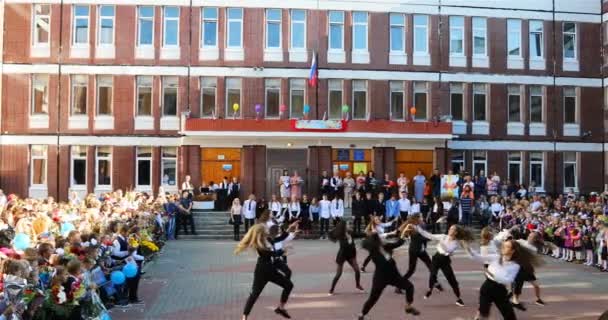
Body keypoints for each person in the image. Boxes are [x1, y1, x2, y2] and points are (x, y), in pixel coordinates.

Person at [465, 238, 542, 320]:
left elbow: (508, 280)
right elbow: (478, 257)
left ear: (513, 251)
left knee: (510, 317)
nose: (503, 248)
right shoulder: (496, 257)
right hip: (487, 287)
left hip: (500, 291)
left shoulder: (515, 265)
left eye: (507, 246)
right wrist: (468, 248)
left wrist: (492, 274)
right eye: (503, 246)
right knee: (483, 313)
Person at [235, 223, 296, 320]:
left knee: (289, 285)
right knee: (254, 294)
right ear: (261, 233)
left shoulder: (268, 239)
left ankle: (280, 308)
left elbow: (280, 238)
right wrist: (283, 251)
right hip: (261, 272)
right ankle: (244, 317)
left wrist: (290, 229)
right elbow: (269, 254)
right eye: (265, 229)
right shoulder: (259, 244)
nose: (267, 230)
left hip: (271, 270)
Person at [357, 232, 420, 320]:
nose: (382, 240)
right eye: (380, 239)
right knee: (373, 298)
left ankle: (408, 307)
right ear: (377, 241)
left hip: (393, 275)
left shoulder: (385, 246)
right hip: (381, 277)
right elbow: (383, 262)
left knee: (409, 287)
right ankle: (362, 315)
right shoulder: (374, 251)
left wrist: (403, 236)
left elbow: (397, 244)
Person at [414, 224, 474, 306]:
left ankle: (458, 299)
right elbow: (430, 236)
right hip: (436, 258)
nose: (449, 230)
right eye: (450, 228)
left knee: (452, 280)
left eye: (452, 229)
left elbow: (448, 250)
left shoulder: (456, 243)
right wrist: (418, 228)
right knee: (433, 275)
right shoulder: (443, 236)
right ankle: (429, 290)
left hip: (445, 261)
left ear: (456, 232)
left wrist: (441, 244)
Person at [400, 215, 444, 292]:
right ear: (415, 219)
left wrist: (438, 222)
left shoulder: (418, 226)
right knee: (411, 270)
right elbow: (421, 238)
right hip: (414, 251)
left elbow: (427, 227)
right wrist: (435, 239)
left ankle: (435, 283)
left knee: (431, 266)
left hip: (421, 250)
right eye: (420, 217)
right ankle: (399, 285)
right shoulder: (411, 227)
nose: (421, 219)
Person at [328, 220, 364, 295]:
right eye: (348, 224)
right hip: (342, 256)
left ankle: (357, 285)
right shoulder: (341, 235)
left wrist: (368, 234)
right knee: (338, 274)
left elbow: (359, 234)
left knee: (357, 270)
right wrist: (349, 239)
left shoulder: (351, 233)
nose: (349, 225)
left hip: (351, 255)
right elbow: (344, 245)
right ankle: (331, 289)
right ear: (344, 226)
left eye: (349, 224)